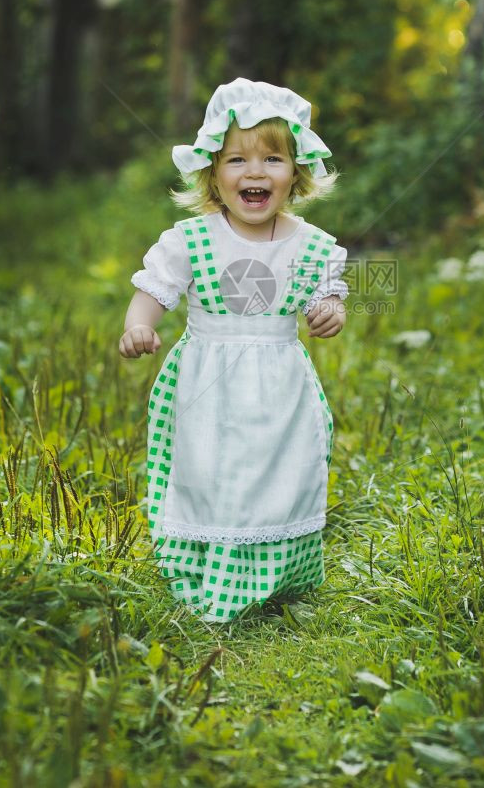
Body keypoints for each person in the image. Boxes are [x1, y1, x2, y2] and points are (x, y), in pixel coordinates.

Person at [119, 78, 349, 624]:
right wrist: (138, 327)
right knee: (210, 469)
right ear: (212, 172)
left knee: (281, 470)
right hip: (208, 380)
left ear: (295, 173)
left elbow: (329, 297)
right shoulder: (191, 240)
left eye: (273, 158)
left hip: (280, 384)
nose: (254, 171)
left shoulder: (310, 244)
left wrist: (329, 313)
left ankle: (280, 574)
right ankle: (206, 569)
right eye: (236, 159)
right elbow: (153, 293)